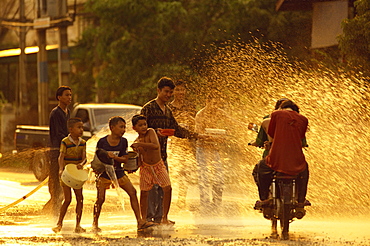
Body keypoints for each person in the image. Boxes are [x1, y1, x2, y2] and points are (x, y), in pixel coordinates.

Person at [140, 77, 196, 223]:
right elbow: (140, 130)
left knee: (165, 186)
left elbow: (176, 129)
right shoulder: (148, 108)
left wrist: (195, 135)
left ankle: (161, 217)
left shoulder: (168, 111)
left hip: (162, 154)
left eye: (170, 92)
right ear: (158, 90)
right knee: (151, 187)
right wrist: (152, 133)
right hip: (149, 156)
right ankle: (149, 217)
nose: (168, 95)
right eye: (166, 92)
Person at [92, 116, 150, 232]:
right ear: (112, 128)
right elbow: (97, 159)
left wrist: (114, 157)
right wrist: (97, 168)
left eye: (124, 127)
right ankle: (95, 224)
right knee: (100, 199)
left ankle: (139, 221)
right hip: (104, 174)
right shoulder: (102, 142)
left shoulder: (123, 141)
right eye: (121, 127)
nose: (123, 130)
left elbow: (125, 159)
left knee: (132, 192)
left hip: (118, 173)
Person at [256, 100, 309, 215]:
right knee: (304, 173)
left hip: (276, 159)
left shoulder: (274, 115)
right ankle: (300, 202)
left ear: (280, 108)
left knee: (260, 168)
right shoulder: (303, 119)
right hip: (296, 161)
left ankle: (264, 199)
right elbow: (301, 138)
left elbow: (271, 133)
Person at [131, 115, 173, 225]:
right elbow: (139, 159)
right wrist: (133, 167)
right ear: (134, 128)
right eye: (140, 125)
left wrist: (140, 144)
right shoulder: (136, 141)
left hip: (158, 166)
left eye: (145, 124)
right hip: (145, 168)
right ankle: (143, 219)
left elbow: (155, 146)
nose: (144, 127)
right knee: (144, 193)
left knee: (167, 188)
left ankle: (165, 217)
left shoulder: (151, 132)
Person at [195, 94, 230, 212]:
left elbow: (232, 122)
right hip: (202, 148)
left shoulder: (219, 112)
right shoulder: (200, 115)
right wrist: (213, 138)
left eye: (218, 104)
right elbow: (198, 134)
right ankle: (205, 204)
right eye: (214, 104)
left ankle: (216, 203)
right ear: (207, 101)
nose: (216, 107)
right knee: (204, 177)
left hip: (214, 148)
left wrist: (249, 126)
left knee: (219, 176)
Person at [52, 118, 86, 233]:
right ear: (71, 129)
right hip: (67, 174)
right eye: (79, 127)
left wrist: (81, 164)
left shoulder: (83, 142)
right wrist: (61, 169)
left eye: (82, 127)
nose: (81, 130)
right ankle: (59, 223)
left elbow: (84, 158)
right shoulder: (65, 141)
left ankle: (78, 225)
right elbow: (61, 157)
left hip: (76, 174)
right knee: (67, 199)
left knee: (80, 199)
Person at [168, 79, 197, 209]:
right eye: (178, 90)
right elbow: (168, 125)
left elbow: (196, 124)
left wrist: (189, 119)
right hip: (175, 142)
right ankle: (174, 196)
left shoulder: (190, 106)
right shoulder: (169, 107)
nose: (181, 92)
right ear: (173, 92)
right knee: (176, 170)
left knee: (186, 171)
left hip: (188, 142)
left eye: (183, 90)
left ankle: (182, 197)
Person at [44, 86, 72, 215]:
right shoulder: (56, 113)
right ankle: (53, 209)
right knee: (55, 180)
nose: (69, 97)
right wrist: (71, 140)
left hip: (65, 151)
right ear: (59, 97)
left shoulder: (68, 112)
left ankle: (56, 207)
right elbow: (59, 134)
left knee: (64, 181)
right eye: (66, 95)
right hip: (57, 151)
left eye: (70, 95)